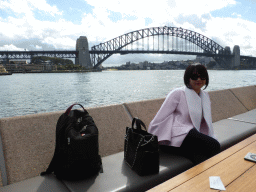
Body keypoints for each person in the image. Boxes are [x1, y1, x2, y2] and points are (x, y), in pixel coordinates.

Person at [148, 63, 220, 165]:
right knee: (214, 145)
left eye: (202, 76)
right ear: (188, 78)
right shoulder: (178, 93)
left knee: (200, 155)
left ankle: (205, 178)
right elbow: (159, 118)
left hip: (191, 134)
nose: (199, 79)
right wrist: (156, 138)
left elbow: (204, 122)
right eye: (194, 76)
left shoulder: (205, 95)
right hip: (178, 132)